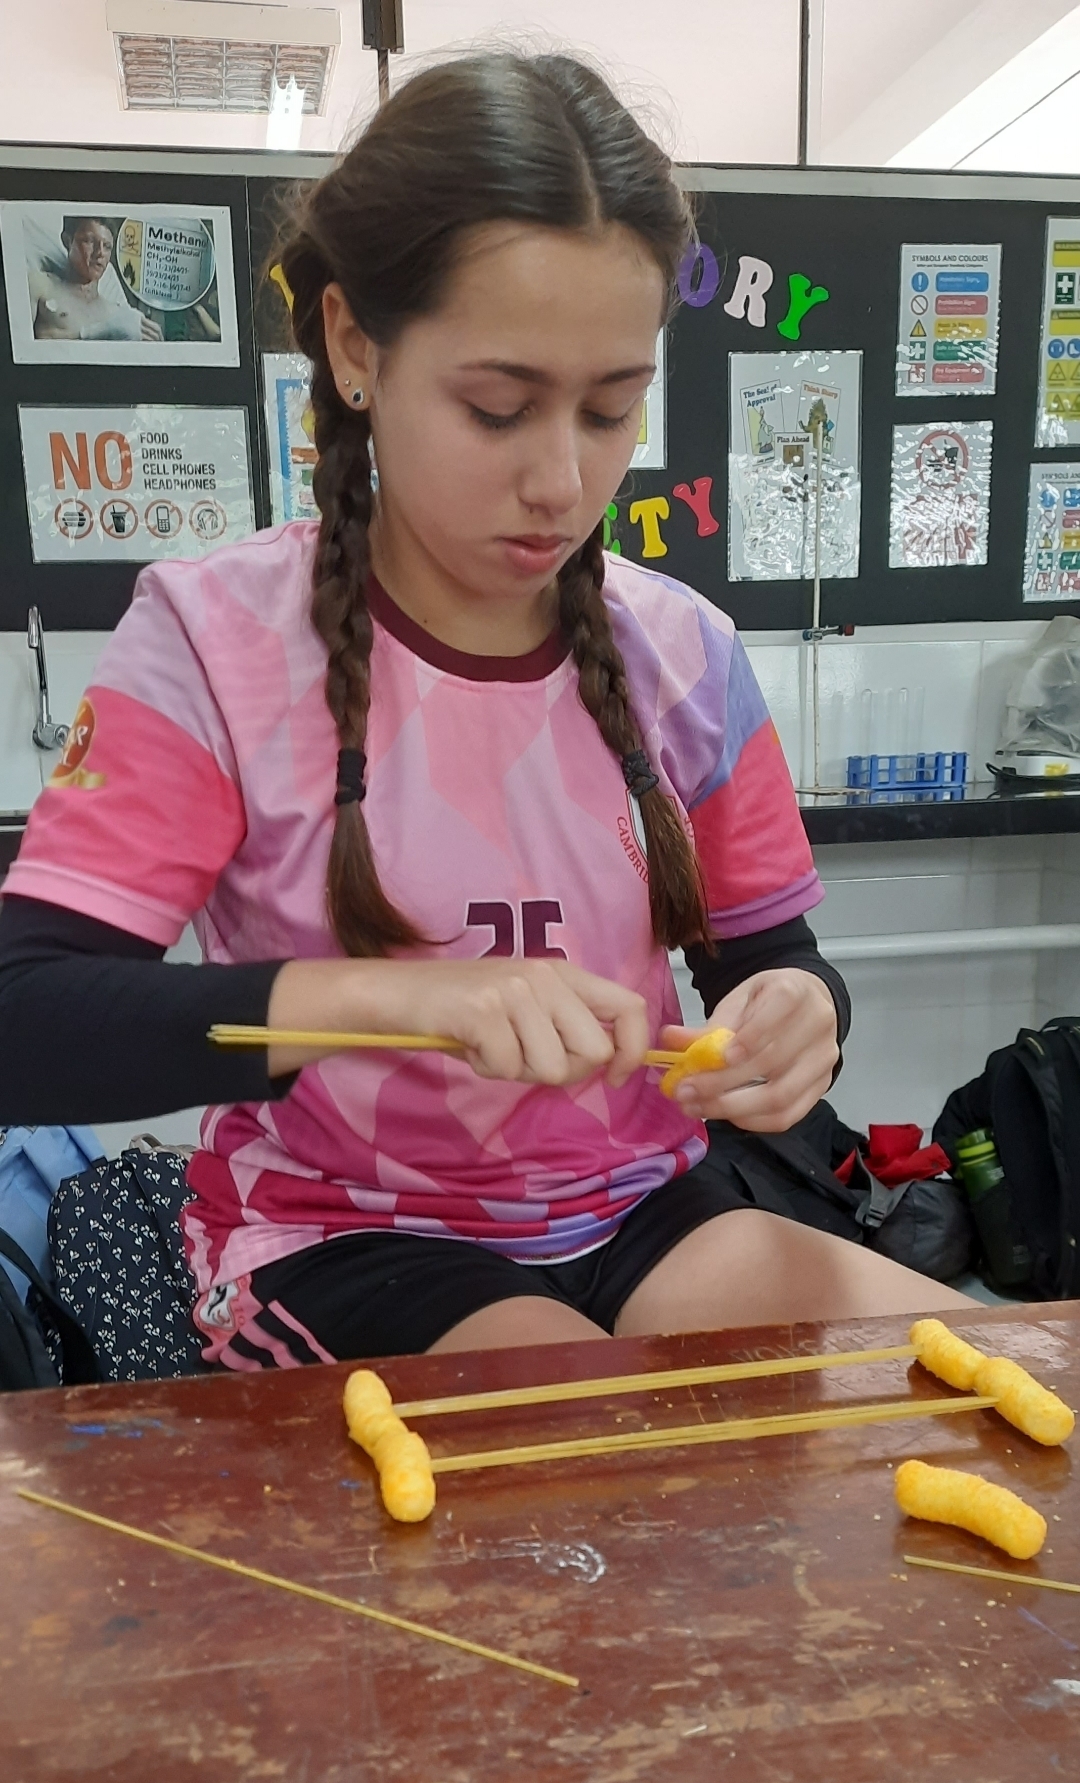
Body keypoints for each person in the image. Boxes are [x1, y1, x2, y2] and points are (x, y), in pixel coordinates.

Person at [0, 54, 971, 1367]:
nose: (562, 479)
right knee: (574, 1442)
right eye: (498, 408)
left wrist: (803, 1012)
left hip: (643, 1209)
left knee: (973, 1384)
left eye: (612, 408)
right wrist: (403, 1000)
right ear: (357, 346)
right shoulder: (212, 643)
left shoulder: (685, 652)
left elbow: (768, 959)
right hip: (343, 1235)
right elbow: (29, 1020)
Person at [28, 215, 163, 343]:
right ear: (67, 241)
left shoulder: (116, 314)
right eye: (90, 241)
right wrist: (92, 333)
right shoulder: (41, 285)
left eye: (107, 246)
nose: (100, 253)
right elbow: (27, 344)